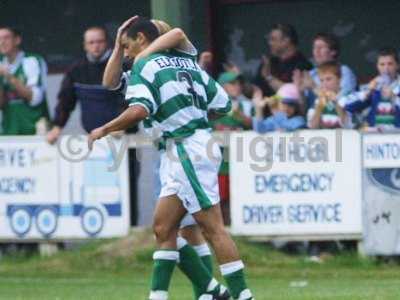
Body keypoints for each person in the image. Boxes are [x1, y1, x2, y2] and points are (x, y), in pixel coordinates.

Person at [89, 17, 254, 300]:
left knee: (213, 228)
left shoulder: (145, 65)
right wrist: (194, 116)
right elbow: (223, 105)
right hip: (186, 148)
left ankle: (242, 295)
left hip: (186, 149)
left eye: (127, 46)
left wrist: (105, 128)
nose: (126, 53)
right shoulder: (189, 64)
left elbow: (140, 109)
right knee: (164, 228)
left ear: (143, 38)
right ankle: (206, 291)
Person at [46, 26, 128, 143]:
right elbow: (65, 101)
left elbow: (130, 100)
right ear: (85, 45)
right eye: (91, 42)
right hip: (92, 136)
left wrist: (121, 125)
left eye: (100, 41)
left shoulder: (122, 65)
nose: (96, 46)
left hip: (122, 137)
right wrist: (57, 127)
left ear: (107, 43)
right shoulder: (76, 69)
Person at [0, 26, 48, 135]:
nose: (2, 42)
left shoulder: (32, 60)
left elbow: (34, 98)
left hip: (34, 130)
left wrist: (8, 76)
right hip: (8, 131)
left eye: (6, 38)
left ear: (17, 40)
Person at [344, 47, 400, 131]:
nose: (386, 68)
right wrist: (367, 92)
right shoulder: (373, 87)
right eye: (382, 64)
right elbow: (344, 105)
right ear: (377, 66)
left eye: (390, 64)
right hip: (373, 138)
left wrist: (394, 98)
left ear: (397, 65)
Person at [254, 23, 312, 96]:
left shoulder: (303, 65)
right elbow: (254, 89)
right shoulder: (269, 63)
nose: (269, 43)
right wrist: (239, 81)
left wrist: (268, 77)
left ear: (286, 41)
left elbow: (292, 93)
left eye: (273, 39)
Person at [307, 62, 352, 129]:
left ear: (340, 79)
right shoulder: (318, 101)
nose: (324, 83)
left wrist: (335, 103)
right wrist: (319, 107)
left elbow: (348, 125)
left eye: (328, 79)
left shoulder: (348, 98)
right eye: (321, 80)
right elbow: (312, 127)